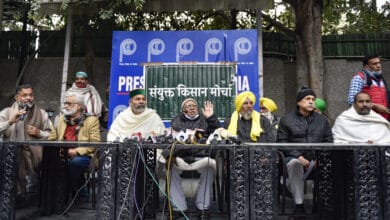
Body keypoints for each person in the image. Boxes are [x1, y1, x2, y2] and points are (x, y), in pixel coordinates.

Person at [277, 86, 333, 214]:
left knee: (333, 164)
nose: (311, 101)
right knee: (295, 164)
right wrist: (299, 157)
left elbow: (328, 141)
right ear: (298, 102)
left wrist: (320, 158)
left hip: (317, 158)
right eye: (307, 98)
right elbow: (281, 142)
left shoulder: (321, 120)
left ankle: (324, 205)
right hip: (293, 157)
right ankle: (299, 205)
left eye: (313, 99)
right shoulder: (287, 119)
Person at [167, 98, 220, 213]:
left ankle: (202, 206)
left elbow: (215, 131)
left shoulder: (204, 119)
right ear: (183, 110)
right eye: (188, 106)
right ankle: (179, 207)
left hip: (200, 156)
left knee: (209, 168)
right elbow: (181, 136)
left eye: (194, 106)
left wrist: (210, 117)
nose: (191, 108)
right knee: (170, 168)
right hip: (182, 156)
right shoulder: (176, 121)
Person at [0, 84, 52, 195]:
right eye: (24, 95)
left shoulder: (41, 114)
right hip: (10, 155)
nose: (28, 98)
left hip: (35, 154)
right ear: (17, 97)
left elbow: (53, 135)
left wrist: (39, 133)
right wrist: (9, 122)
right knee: (16, 155)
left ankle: (24, 193)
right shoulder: (7, 112)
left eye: (31, 95)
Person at [47, 92, 99, 201]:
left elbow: (95, 143)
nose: (65, 106)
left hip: (83, 155)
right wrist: (58, 149)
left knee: (74, 164)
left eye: (69, 103)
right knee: (47, 162)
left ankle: (75, 193)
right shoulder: (60, 119)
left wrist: (76, 151)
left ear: (79, 106)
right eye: (65, 103)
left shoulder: (91, 120)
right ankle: (52, 197)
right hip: (62, 153)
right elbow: (52, 137)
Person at [347, 54, 390, 120]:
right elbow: (352, 101)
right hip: (368, 120)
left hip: (383, 120)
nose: (378, 66)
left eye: (379, 63)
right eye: (374, 64)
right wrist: (374, 106)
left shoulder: (381, 79)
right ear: (366, 67)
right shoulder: (359, 78)